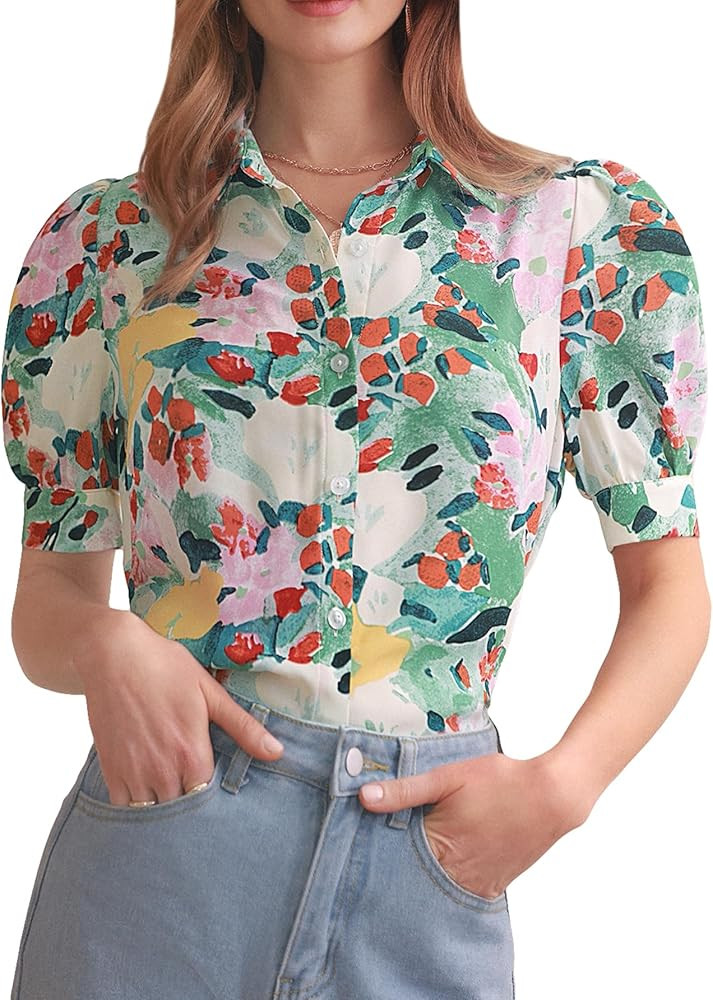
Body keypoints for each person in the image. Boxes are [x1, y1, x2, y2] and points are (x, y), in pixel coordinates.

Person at [2, 1, 708, 998]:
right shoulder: (109, 242)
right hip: (165, 844)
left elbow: (667, 578)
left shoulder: (576, 230)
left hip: (431, 854)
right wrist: (104, 642)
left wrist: (562, 787)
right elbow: (46, 606)